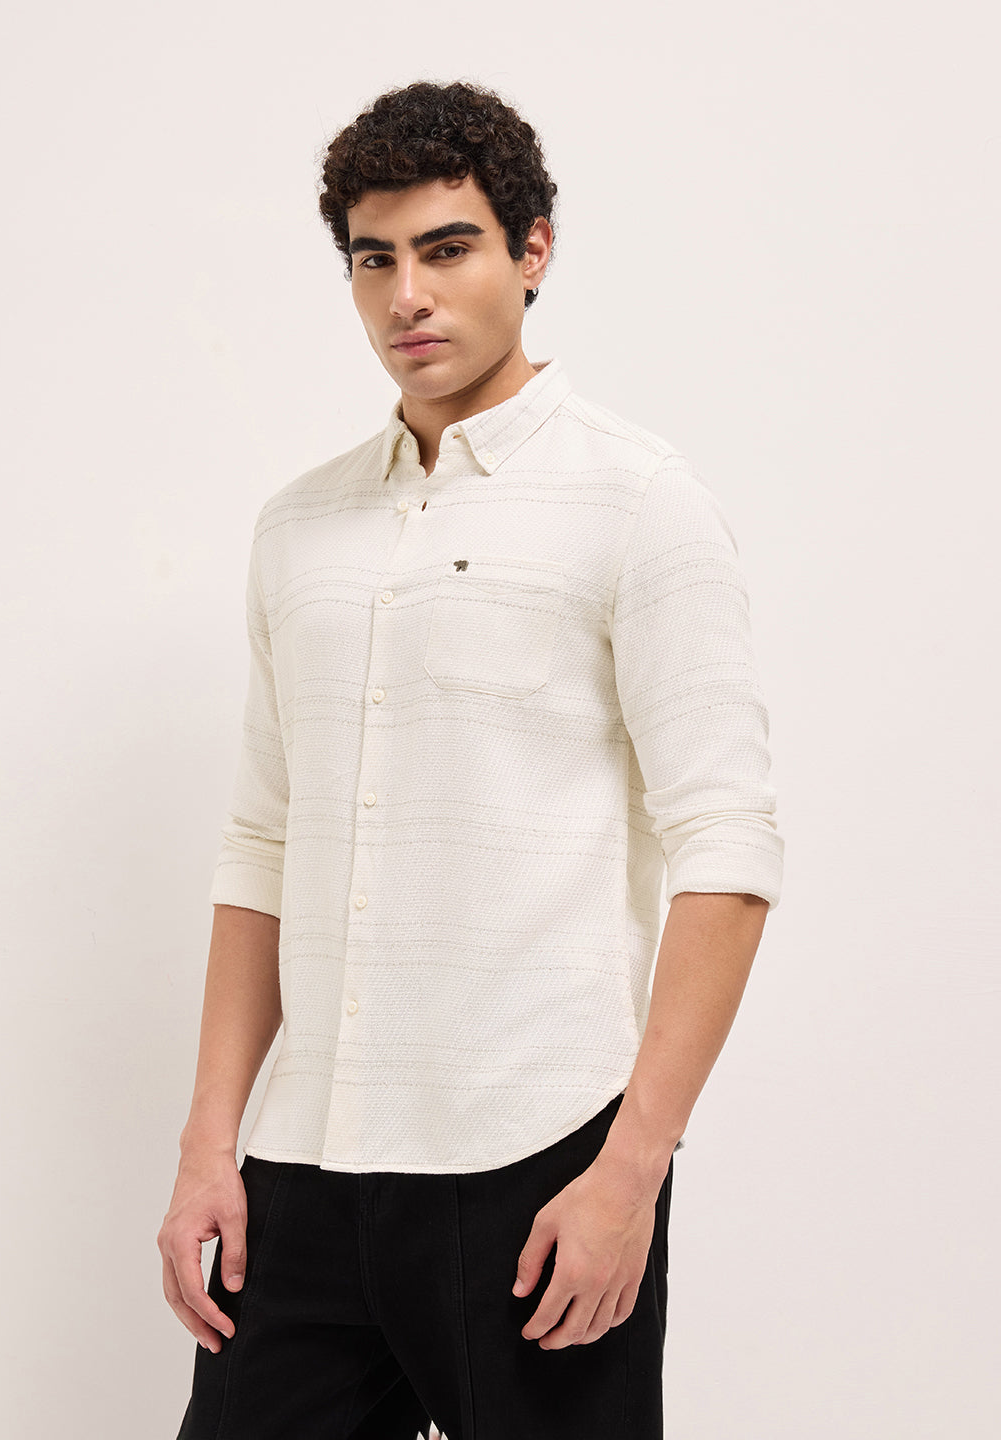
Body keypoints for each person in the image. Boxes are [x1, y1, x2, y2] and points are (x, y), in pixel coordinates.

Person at [158, 78, 784, 1440]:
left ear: (532, 249)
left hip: (539, 1156)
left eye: (447, 249)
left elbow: (728, 853)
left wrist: (631, 1173)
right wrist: (211, 1144)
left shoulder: (639, 501)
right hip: (305, 1164)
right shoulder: (298, 529)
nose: (408, 297)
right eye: (373, 259)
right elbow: (263, 844)